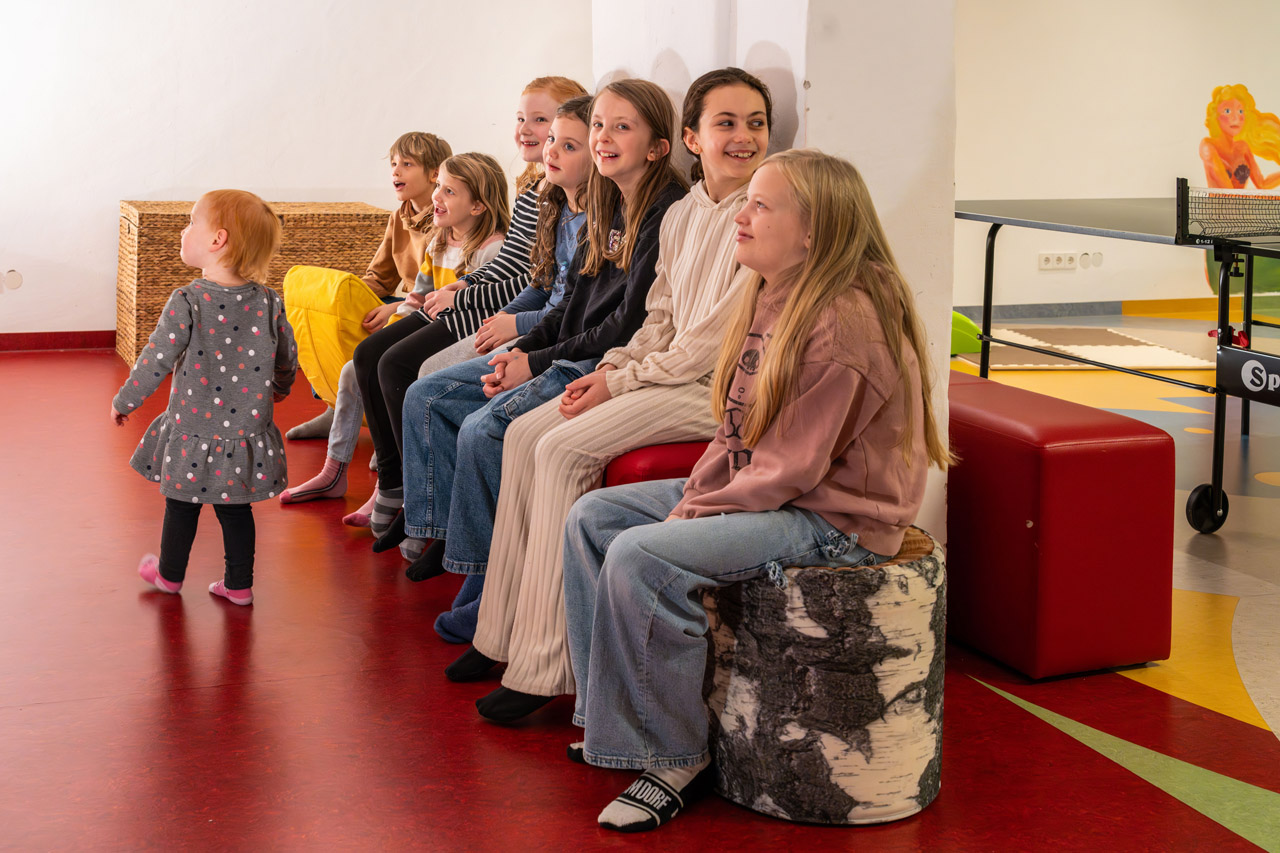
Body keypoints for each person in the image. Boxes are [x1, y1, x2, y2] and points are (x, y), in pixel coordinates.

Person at [560, 149, 953, 831]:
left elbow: (789, 471)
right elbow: (737, 427)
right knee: (594, 517)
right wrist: (696, 494)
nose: (741, 216)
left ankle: (673, 757)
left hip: (836, 520)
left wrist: (693, 513)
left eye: (761, 205)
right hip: (775, 489)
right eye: (747, 202)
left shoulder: (846, 320)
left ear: (813, 231)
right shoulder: (775, 290)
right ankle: (616, 724)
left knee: (642, 555)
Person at [452, 68, 775, 725]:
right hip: (664, 371)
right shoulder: (685, 213)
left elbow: (709, 345)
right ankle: (501, 633)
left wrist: (620, 378)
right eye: (726, 123)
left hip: (713, 389)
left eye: (756, 123)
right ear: (693, 138)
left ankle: (547, 668)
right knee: (524, 434)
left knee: (563, 448)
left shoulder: (757, 217)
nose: (744, 136)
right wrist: (616, 365)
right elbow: (659, 318)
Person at [381, 78, 689, 646]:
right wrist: (522, 351)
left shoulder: (662, 210)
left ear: (659, 146)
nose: (602, 139)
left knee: (483, 430)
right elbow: (566, 297)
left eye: (619, 128)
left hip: (600, 361)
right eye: (598, 127)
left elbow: (623, 327)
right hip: (564, 348)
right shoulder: (603, 201)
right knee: (425, 390)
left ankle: (485, 588)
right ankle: (448, 546)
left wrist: (532, 352)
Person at [351, 77, 586, 538]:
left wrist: (470, 299)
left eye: (542, 121)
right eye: (522, 118)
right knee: (367, 356)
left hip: (499, 315)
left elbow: (532, 280)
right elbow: (520, 270)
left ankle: (423, 503)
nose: (527, 129)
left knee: (406, 368)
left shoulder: (560, 199)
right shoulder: (534, 192)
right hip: (493, 307)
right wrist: (463, 286)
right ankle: (397, 485)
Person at [112, 190, 297, 606]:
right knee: (236, 509)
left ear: (217, 239)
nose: (184, 229)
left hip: (192, 428)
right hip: (245, 430)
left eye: (192, 221)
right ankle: (239, 585)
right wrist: (279, 390)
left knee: (181, 505)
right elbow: (287, 357)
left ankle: (169, 576)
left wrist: (125, 401)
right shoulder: (269, 301)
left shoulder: (189, 300)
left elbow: (156, 358)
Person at [283, 132, 451, 444]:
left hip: (429, 307)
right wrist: (338, 297)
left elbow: (443, 288)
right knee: (327, 316)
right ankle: (334, 405)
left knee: (386, 327)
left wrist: (394, 307)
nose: (396, 171)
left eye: (407, 164)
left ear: (433, 174)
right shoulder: (399, 216)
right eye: (393, 164)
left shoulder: (446, 217)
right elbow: (380, 277)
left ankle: (388, 422)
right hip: (403, 299)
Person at [1200, 83, 1280, 190]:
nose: (1236, 118)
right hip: (1218, 202)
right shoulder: (1208, 147)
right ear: (1216, 116)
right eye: (1227, 111)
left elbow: (1262, 184)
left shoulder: (1243, 147)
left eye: (1240, 111)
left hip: (1240, 201)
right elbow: (1228, 193)